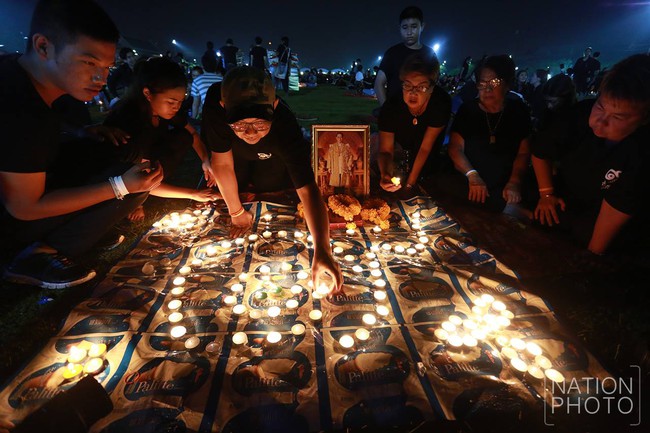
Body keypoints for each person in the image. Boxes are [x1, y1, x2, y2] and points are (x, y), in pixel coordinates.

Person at [0, 0, 163, 289]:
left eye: (107, 66)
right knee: (132, 181)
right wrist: (119, 186)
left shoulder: (18, 72)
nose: (101, 78)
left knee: (118, 152)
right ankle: (33, 256)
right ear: (43, 47)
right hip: (11, 221)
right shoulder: (22, 110)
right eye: (88, 63)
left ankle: (83, 229)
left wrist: (80, 132)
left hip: (28, 187)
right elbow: (23, 207)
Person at [201, 66, 342, 293]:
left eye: (259, 123)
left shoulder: (285, 126)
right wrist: (236, 213)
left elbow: (307, 188)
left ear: (274, 107)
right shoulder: (215, 106)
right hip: (233, 151)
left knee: (269, 183)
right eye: (239, 124)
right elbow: (223, 163)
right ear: (224, 107)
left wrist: (323, 250)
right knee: (232, 183)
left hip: (270, 153)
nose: (250, 132)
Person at [531, 54, 650, 255]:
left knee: (588, 237)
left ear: (644, 119)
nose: (600, 121)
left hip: (607, 214)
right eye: (600, 107)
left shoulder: (641, 150)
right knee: (541, 215)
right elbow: (541, 150)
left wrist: (591, 258)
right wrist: (547, 194)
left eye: (618, 117)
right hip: (568, 196)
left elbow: (618, 209)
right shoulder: (578, 116)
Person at [104, 57, 219, 221]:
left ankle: (154, 182)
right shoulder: (130, 121)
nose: (176, 107)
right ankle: (135, 201)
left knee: (183, 136)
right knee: (143, 179)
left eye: (180, 101)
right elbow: (139, 178)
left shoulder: (163, 111)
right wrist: (194, 194)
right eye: (171, 101)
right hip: (119, 177)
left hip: (146, 162)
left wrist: (205, 160)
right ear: (147, 93)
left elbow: (193, 134)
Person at [447, 55, 532, 212]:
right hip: (469, 185)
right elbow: (455, 148)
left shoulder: (518, 111)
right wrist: (472, 175)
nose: (487, 89)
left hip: (505, 189)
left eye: (494, 82)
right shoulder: (468, 111)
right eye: (482, 83)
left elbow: (523, 153)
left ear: (507, 84)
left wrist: (514, 182)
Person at [377, 54, 451, 196]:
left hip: (429, 159)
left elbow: (425, 148)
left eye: (421, 87)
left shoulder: (440, 103)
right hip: (401, 156)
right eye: (408, 85)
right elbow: (386, 150)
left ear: (431, 88)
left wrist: (410, 185)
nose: (413, 92)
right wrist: (385, 174)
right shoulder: (391, 107)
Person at [374, 6, 437, 108]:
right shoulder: (392, 53)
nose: (409, 32)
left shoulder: (430, 54)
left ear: (422, 26)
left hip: (420, 112)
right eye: (405, 27)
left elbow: (433, 85)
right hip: (395, 112)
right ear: (400, 28)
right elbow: (378, 83)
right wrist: (386, 111)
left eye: (414, 26)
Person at [191, 53, 222, 120]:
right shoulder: (222, 80)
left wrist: (193, 120)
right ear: (216, 65)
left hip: (207, 116)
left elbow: (195, 105)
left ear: (203, 67)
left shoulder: (197, 81)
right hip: (222, 115)